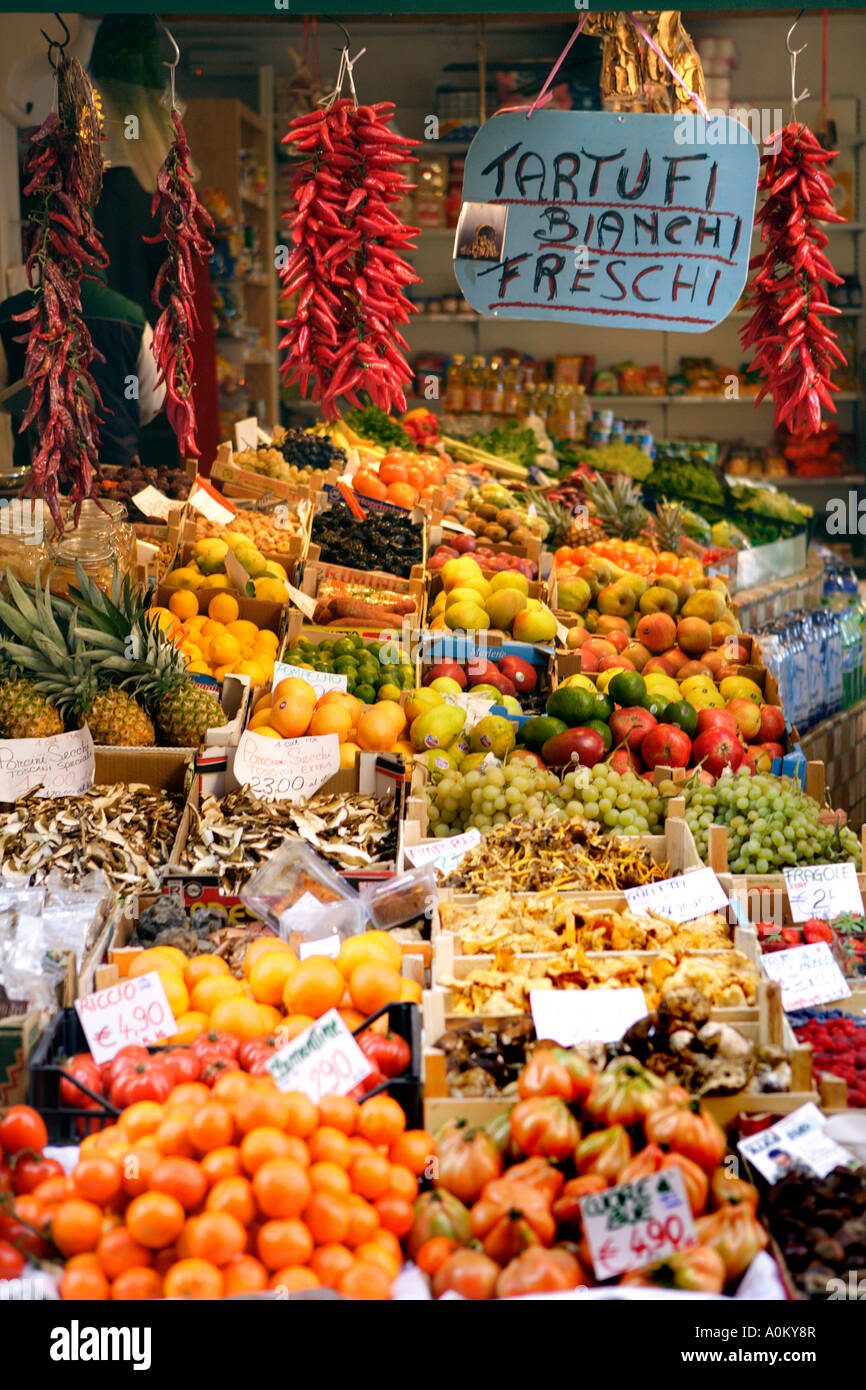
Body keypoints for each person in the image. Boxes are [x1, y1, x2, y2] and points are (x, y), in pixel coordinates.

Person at [0, 278, 165, 472]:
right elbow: (149, 403)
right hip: (116, 468)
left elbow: (4, 396)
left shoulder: (8, 315)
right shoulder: (131, 317)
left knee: (37, 501)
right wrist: (125, 401)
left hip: (35, 471)